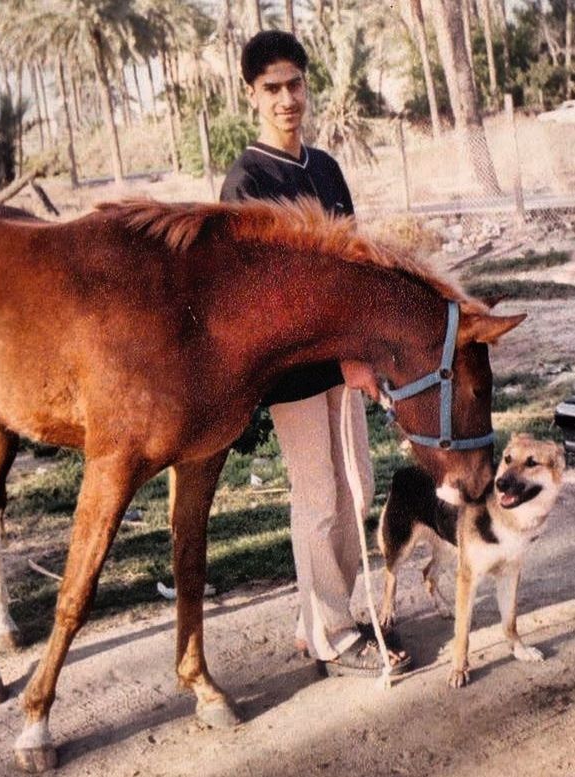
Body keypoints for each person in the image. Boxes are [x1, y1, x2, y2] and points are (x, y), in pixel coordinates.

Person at [220, 30, 410, 676]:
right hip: (294, 370)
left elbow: (353, 272)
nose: (286, 99)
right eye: (271, 88)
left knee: (356, 488)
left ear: (307, 85)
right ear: (250, 94)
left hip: (346, 361)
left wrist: (368, 352)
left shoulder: (325, 168)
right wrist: (337, 362)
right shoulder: (247, 180)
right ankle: (333, 632)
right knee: (320, 497)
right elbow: (267, 301)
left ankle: (322, 616)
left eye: (294, 84)